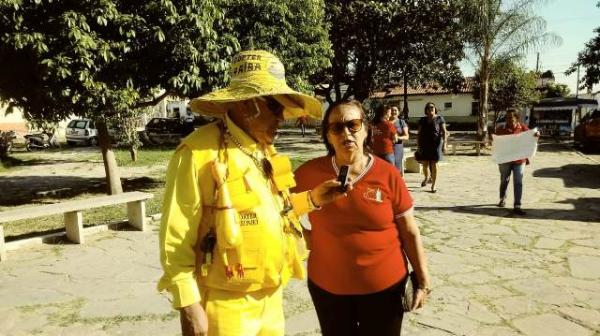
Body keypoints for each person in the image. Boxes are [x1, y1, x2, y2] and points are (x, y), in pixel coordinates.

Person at [158, 50, 346, 336]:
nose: (282, 117)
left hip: (271, 298)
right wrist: (189, 303)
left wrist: (313, 199)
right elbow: (176, 234)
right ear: (249, 104)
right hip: (225, 304)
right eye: (276, 107)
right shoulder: (198, 152)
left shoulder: (263, 150)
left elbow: (276, 211)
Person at [293, 99, 431, 336]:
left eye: (353, 125)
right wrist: (304, 236)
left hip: (385, 288)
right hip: (328, 289)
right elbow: (277, 210)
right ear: (328, 136)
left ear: (366, 130)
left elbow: (409, 231)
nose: (345, 132)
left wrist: (423, 281)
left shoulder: (388, 174)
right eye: (336, 127)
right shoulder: (308, 173)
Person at [494, 110, 539, 216]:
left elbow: (531, 136)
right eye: (507, 117)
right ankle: (502, 198)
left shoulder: (522, 128)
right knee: (504, 180)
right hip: (505, 159)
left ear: (516, 118)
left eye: (511, 117)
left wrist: (536, 135)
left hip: (519, 159)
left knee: (518, 182)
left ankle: (517, 205)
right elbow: (496, 142)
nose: (509, 119)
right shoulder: (501, 129)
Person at [417, 102, 448, 193]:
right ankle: (426, 177)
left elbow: (444, 132)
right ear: (426, 110)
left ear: (435, 109)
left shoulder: (439, 118)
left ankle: (433, 185)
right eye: (429, 108)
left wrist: (444, 144)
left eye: (432, 107)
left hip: (436, 145)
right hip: (424, 144)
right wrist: (418, 145)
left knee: (434, 164)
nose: (431, 109)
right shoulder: (422, 120)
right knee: (425, 164)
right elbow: (419, 134)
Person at [389, 105, 409, 176]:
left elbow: (407, 136)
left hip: (397, 147)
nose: (393, 112)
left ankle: (398, 182)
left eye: (395, 110)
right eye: (391, 110)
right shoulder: (385, 122)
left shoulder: (401, 122)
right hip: (386, 147)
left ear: (398, 112)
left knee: (397, 166)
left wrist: (398, 138)